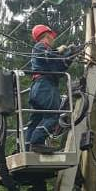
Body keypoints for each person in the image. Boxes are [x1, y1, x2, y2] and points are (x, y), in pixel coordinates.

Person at [25, 24, 75, 153]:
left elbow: (59, 66)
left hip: (38, 88)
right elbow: (50, 57)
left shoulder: (43, 51)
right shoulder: (40, 46)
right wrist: (60, 51)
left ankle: (27, 148)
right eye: (51, 36)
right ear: (47, 35)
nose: (53, 39)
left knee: (36, 120)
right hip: (45, 86)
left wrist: (69, 55)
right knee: (53, 115)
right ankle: (36, 142)